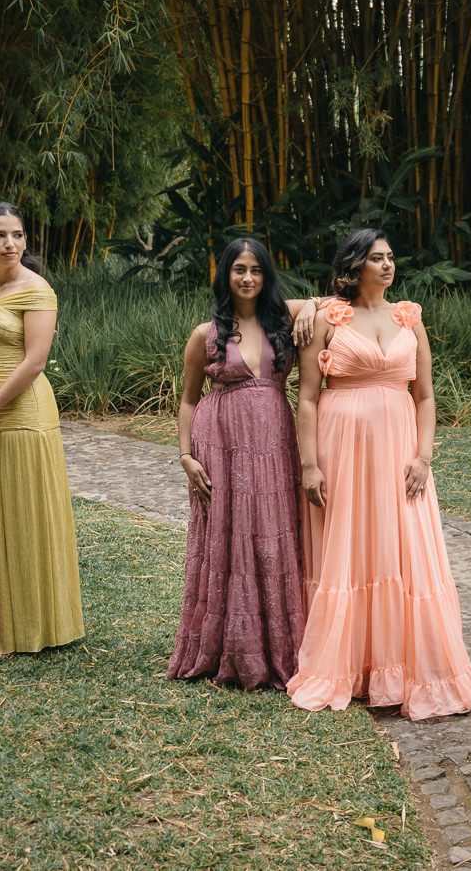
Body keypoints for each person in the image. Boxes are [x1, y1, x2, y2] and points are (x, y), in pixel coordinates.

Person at [287, 230, 471, 719]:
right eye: (377, 258)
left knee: (404, 546)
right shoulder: (328, 319)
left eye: (391, 257)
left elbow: (425, 395)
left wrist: (423, 457)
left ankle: (403, 666)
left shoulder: (409, 317)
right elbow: (307, 397)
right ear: (355, 266)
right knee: (350, 546)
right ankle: (350, 665)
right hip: (342, 448)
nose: (388, 265)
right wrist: (310, 464)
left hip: (400, 451)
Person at [168, 238, 309, 689]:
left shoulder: (282, 323)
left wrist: (307, 308)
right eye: (239, 270)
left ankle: (277, 647)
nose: (247, 278)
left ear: (266, 275)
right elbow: (188, 400)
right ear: (225, 275)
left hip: (274, 441)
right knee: (228, 536)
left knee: (273, 532)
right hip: (221, 444)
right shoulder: (205, 335)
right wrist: (186, 456)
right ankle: (227, 646)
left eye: (256, 270)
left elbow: (332, 303)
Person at [0, 202, 84, 654]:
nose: (10, 243)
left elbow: (35, 361)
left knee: (24, 515)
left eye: (18, 235)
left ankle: (29, 626)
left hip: (23, 414)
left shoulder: (37, 289)